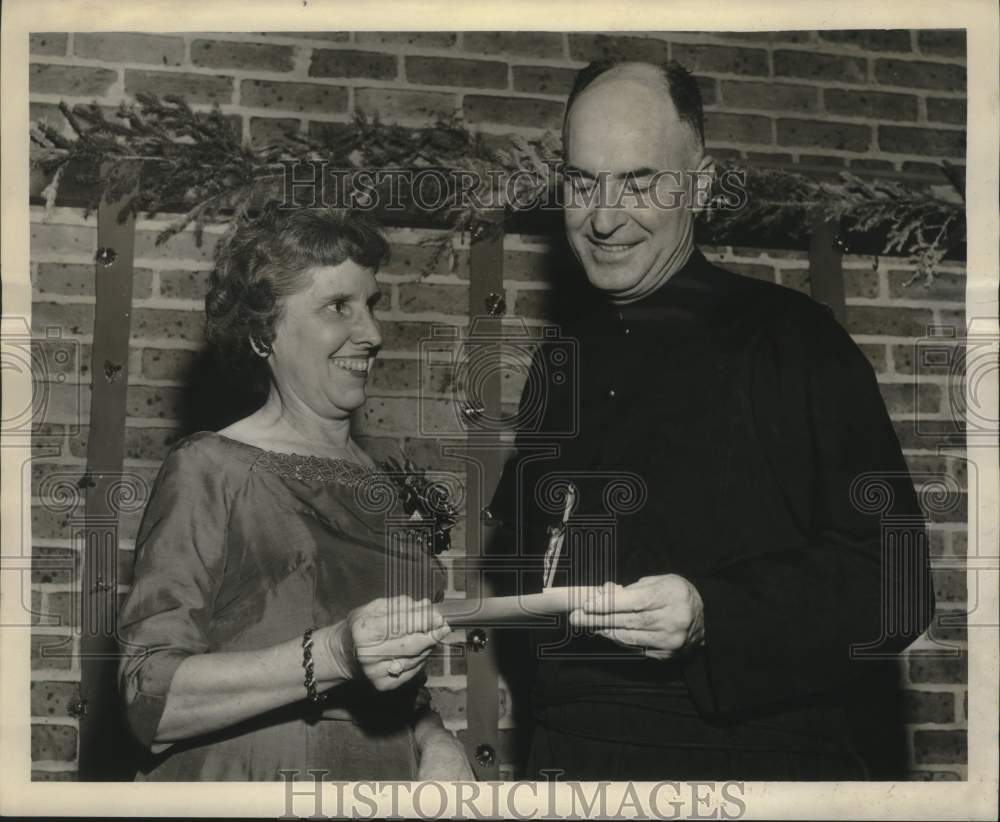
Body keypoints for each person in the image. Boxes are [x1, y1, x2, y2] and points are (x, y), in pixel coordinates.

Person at [488, 60, 935, 780]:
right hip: (567, 765)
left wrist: (711, 614)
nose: (603, 218)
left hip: (744, 771)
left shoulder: (793, 338)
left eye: (637, 183)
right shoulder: (561, 359)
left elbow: (898, 583)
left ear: (697, 184)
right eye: (580, 183)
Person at [117, 205, 474, 781]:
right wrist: (332, 654)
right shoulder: (211, 469)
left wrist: (436, 741)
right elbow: (148, 698)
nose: (373, 334)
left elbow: (397, 690)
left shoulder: (383, 482)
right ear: (265, 332)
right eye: (338, 307)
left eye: (371, 304)